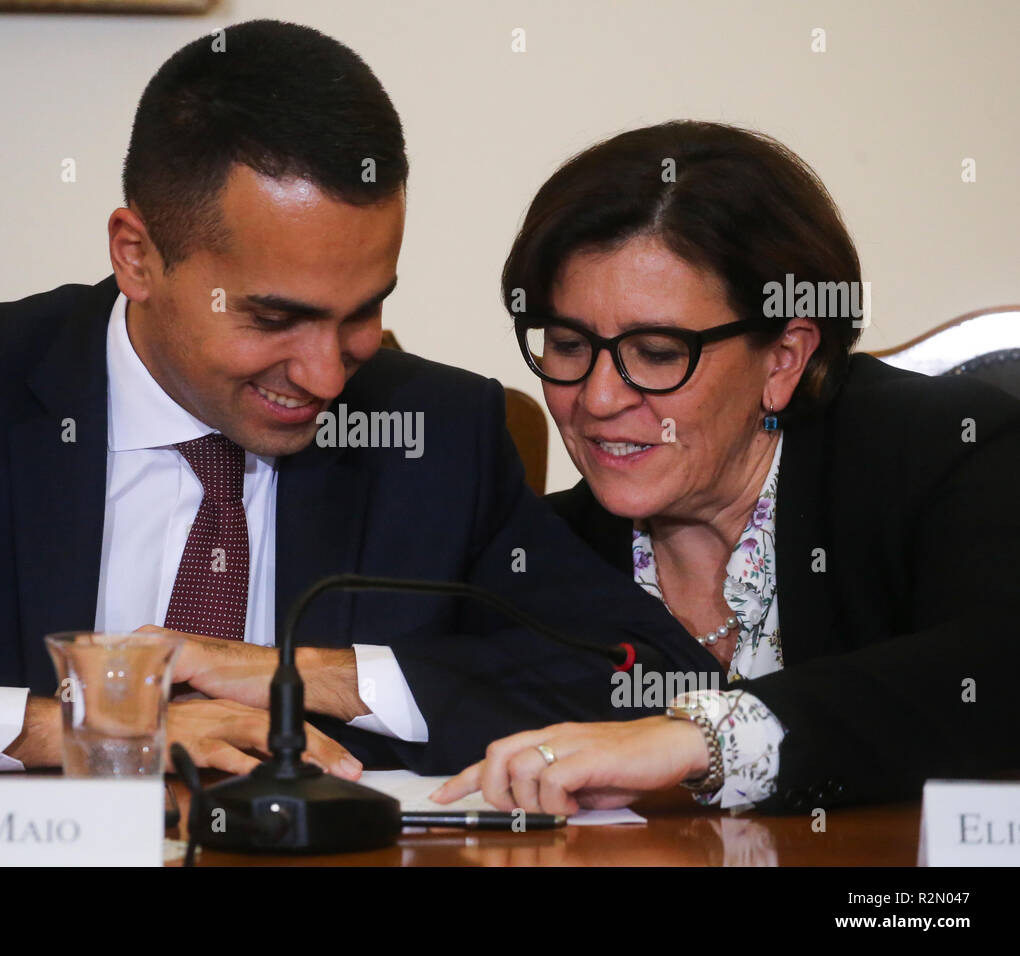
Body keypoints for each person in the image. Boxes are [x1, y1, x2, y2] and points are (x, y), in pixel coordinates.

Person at [0, 23, 714, 779]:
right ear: (138, 254)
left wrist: (322, 676)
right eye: (274, 316)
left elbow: (656, 676)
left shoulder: (434, 433)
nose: (328, 374)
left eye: (363, 312)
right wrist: (66, 729)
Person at [433, 121, 1020, 814]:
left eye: (655, 353)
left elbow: (991, 676)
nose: (596, 398)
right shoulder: (539, 551)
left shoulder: (943, 451)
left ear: (784, 358)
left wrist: (700, 738)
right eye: (567, 344)